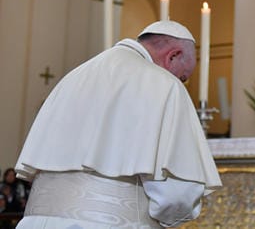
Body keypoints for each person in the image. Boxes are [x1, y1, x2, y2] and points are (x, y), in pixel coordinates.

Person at [14, 21, 221, 228]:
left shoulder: (73, 77)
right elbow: (177, 193)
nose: (181, 82)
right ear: (173, 56)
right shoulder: (165, 84)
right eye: (183, 77)